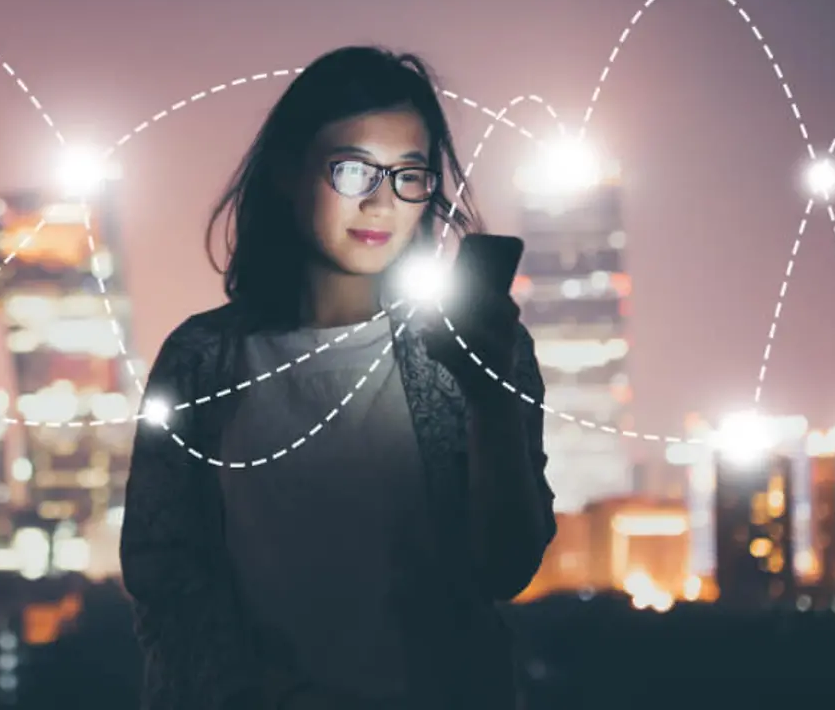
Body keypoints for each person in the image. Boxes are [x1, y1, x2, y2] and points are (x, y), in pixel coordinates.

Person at [120, 46, 557, 710]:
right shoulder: (204, 360)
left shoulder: (475, 348)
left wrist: (489, 397)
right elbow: (162, 574)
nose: (381, 202)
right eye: (353, 170)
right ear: (287, 175)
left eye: (409, 174)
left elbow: (506, 568)